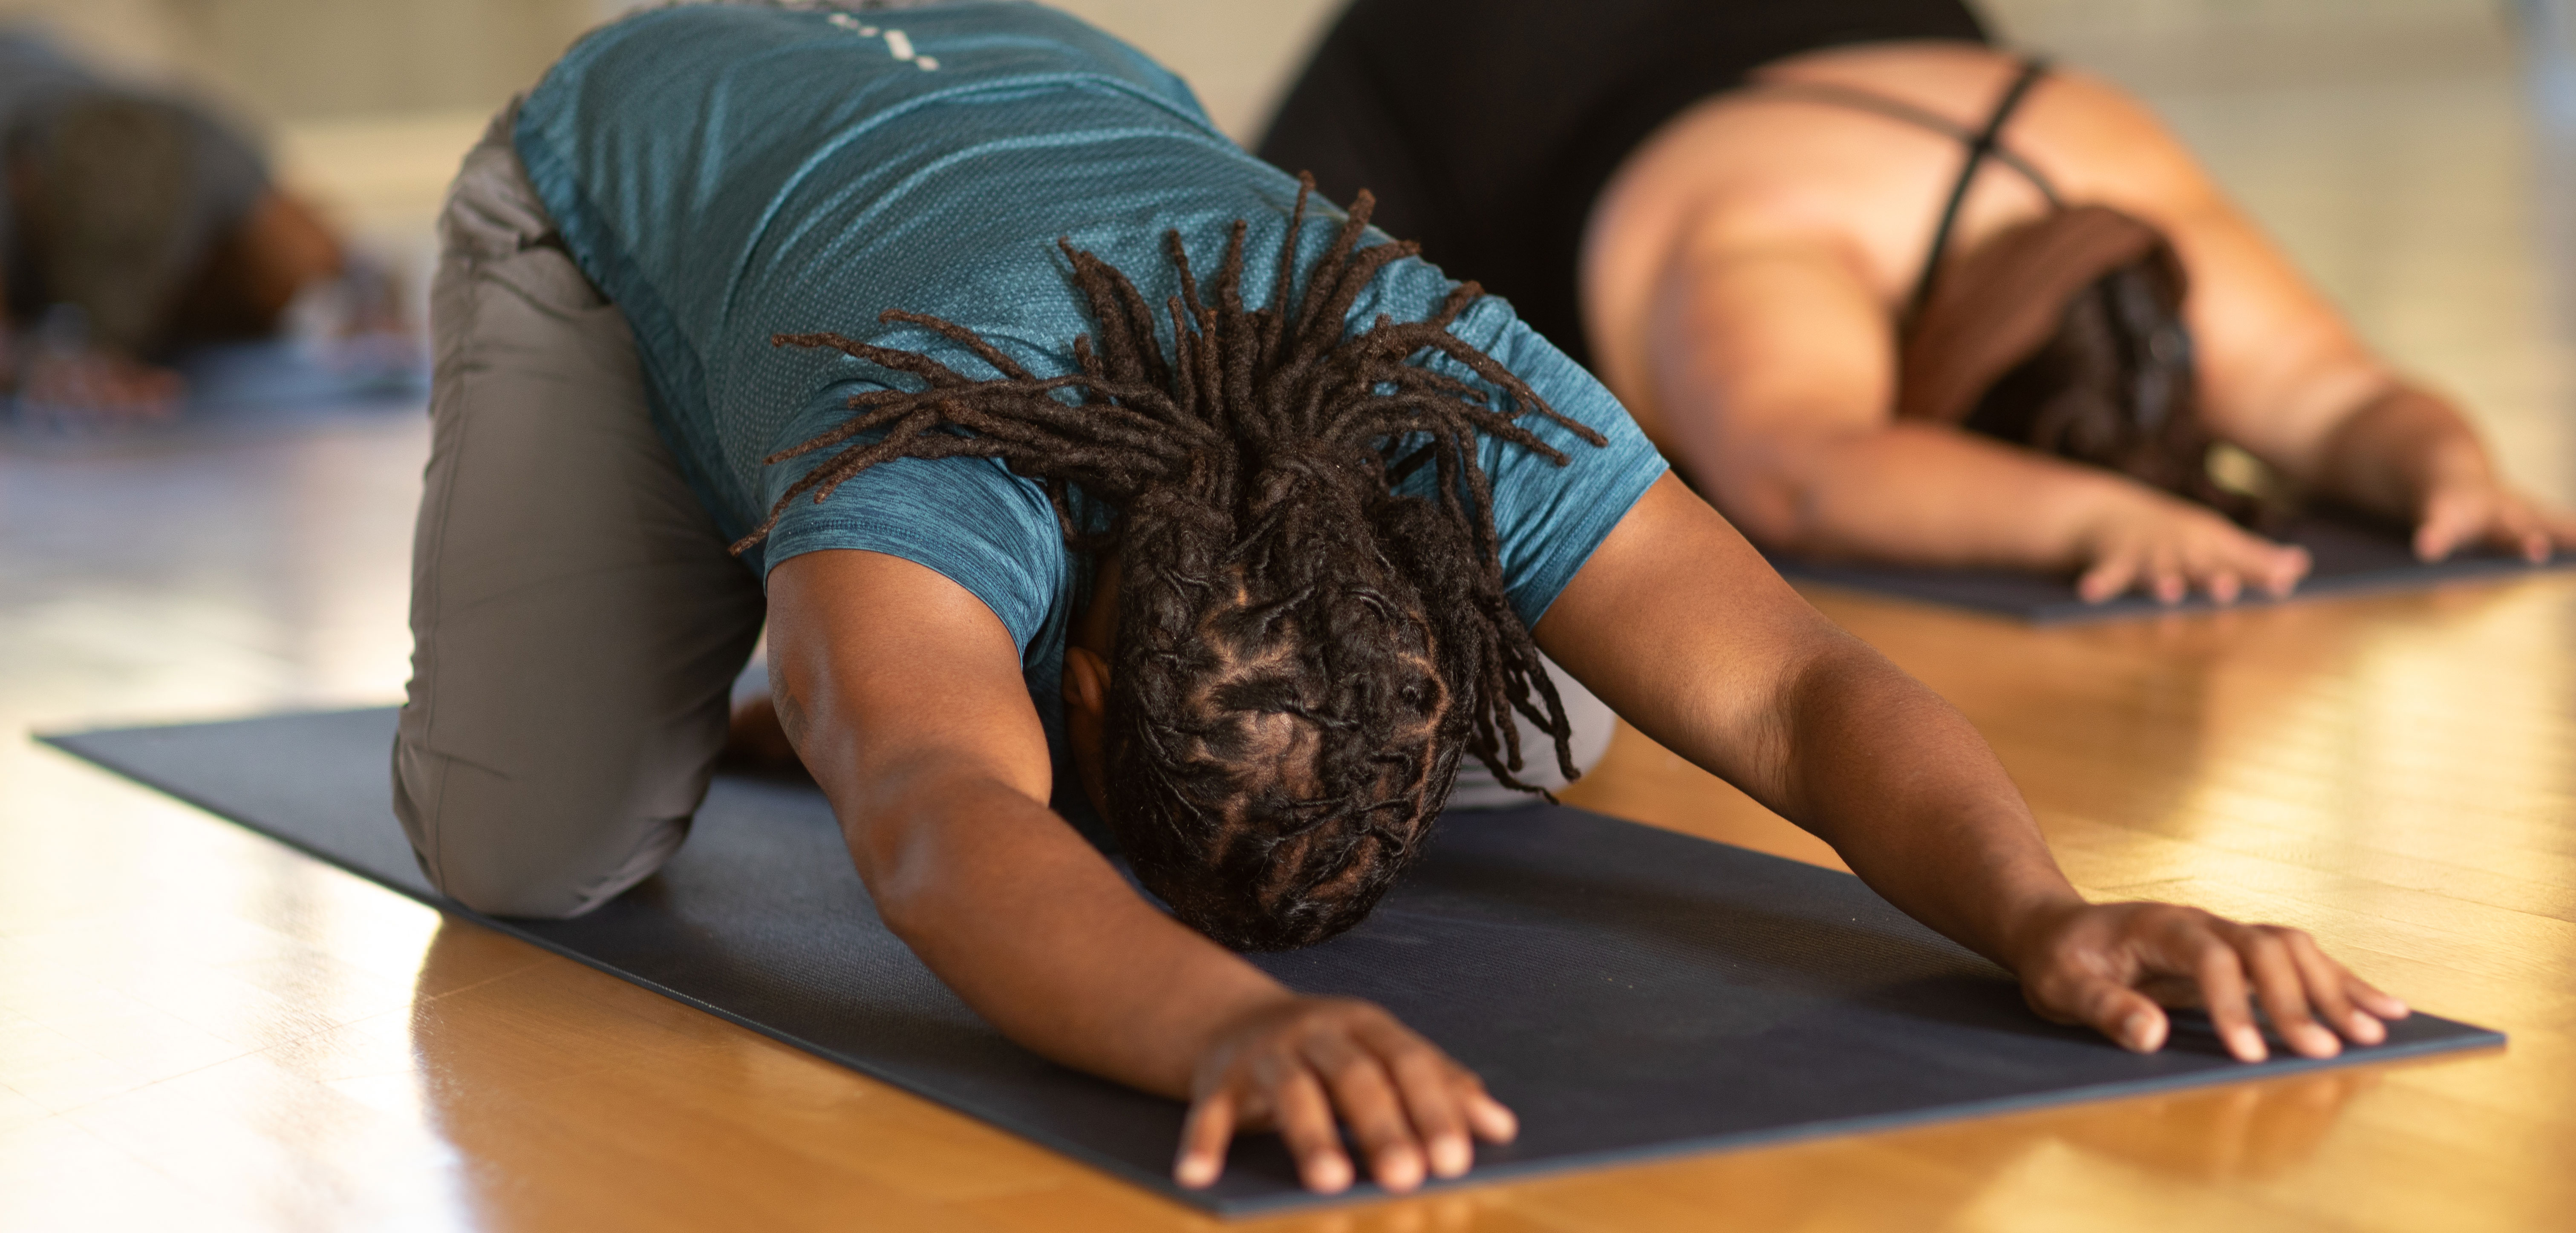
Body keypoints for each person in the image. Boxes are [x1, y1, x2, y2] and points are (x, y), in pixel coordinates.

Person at [400, 1, 2407, 1198]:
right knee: (535, 845)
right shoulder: (918, 469)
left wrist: (2051, 910)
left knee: (1568, 735)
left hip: (1039, 63)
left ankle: (855, 679)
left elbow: (1792, 684)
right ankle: (770, 592)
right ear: (1077, 658)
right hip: (630, 159)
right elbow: (939, 828)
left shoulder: (1462, 383)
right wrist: (1223, 1026)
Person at [1261, 0, 2576, 605]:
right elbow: (1800, 473)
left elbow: (2344, 401)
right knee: (1273, 371)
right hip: (1438, 69)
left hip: (1786, 45)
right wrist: (2094, 518)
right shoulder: (1769, 242)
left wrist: (2455, 477)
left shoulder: (2120, 182)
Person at [0, 28, 387, 423]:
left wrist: (372, 309)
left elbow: (359, 267)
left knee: (275, 279)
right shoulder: (16, 159)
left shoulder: (210, 158)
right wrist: (34, 365)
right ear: (24, 183)